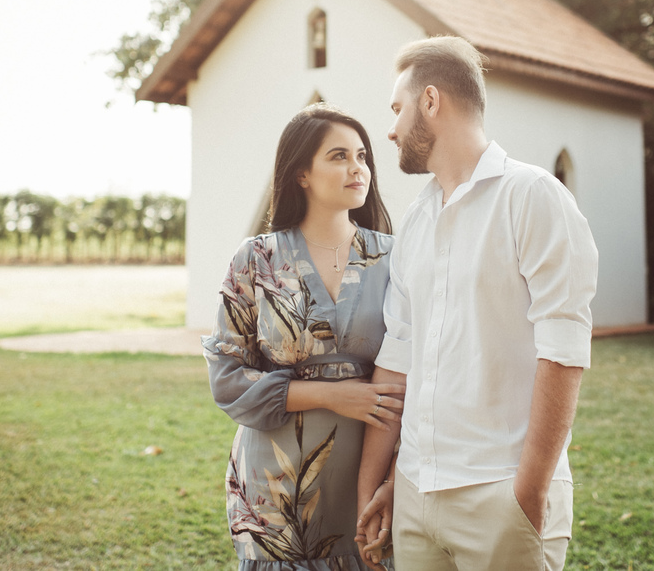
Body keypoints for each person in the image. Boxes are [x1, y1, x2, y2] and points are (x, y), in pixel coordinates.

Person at [356, 36, 598, 571]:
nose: (391, 129)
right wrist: (384, 485)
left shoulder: (533, 197)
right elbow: (398, 365)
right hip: (416, 498)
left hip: (502, 494)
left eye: (398, 108)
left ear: (431, 101)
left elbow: (564, 352)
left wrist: (527, 493)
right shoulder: (416, 223)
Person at [203, 103, 405, 570]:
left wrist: (395, 471)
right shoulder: (255, 260)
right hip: (273, 485)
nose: (357, 168)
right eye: (338, 156)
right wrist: (333, 397)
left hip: (368, 473)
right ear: (301, 175)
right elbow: (227, 380)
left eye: (362, 156)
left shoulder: (397, 259)